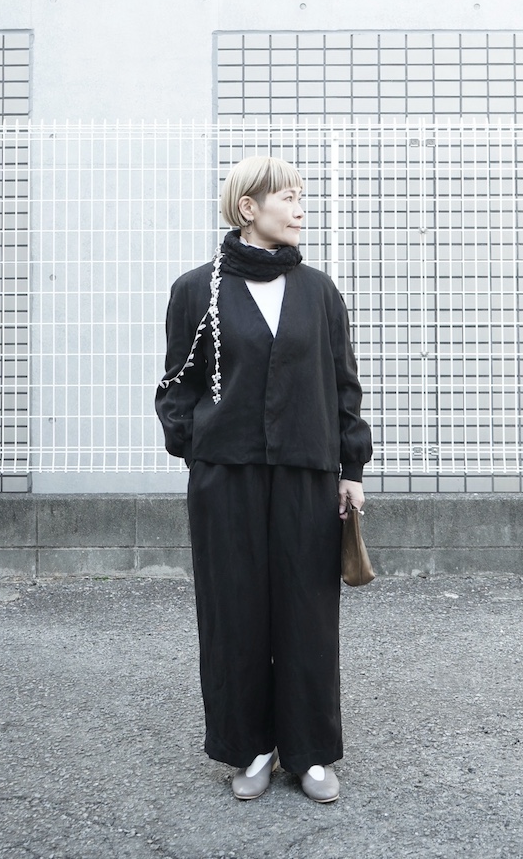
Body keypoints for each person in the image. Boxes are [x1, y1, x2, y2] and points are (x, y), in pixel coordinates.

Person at [155, 155, 372, 804]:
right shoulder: (197, 290)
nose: (301, 209)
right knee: (234, 612)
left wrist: (351, 468)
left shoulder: (319, 292)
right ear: (248, 207)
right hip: (227, 479)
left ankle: (309, 751)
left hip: (307, 474)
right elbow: (176, 385)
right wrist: (200, 447)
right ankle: (249, 746)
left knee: (308, 612)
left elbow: (343, 385)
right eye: (289, 198)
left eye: (302, 197)